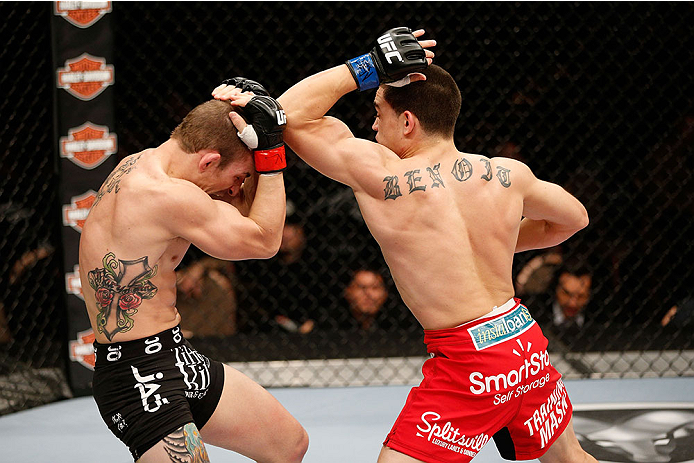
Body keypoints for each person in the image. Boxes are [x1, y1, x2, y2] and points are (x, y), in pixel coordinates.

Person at [215, 27, 595, 462]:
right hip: (523, 344)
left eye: (379, 111)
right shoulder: (506, 173)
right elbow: (574, 218)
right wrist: (499, 241)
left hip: (469, 363)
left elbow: (286, 114)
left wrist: (368, 66)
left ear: (408, 121)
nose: (373, 124)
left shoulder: (382, 176)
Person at [78, 82, 308, 462]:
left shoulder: (142, 163)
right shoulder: (166, 196)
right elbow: (266, 240)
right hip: (136, 374)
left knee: (288, 444)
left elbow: (250, 215)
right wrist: (270, 155)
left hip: (173, 353)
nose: (237, 188)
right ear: (208, 161)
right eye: (237, 177)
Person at [550, 262, 592, 331]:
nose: (572, 303)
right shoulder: (531, 315)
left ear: (589, 295)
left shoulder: (602, 320)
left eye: (581, 296)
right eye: (566, 294)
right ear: (555, 290)